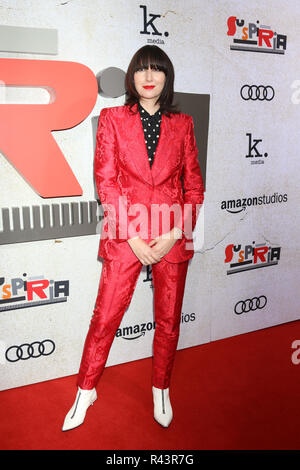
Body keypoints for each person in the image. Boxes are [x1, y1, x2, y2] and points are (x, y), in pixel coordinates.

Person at [62, 45, 205, 432]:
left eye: (156, 69)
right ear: (131, 76)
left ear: (166, 77)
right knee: (106, 315)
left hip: (172, 234)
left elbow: (193, 186)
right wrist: (133, 236)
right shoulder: (112, 119)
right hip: (127, 234)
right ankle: (85, 390)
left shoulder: (183, 124)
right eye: (141, 69)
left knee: (169, 320)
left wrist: (176, 231)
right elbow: (105, 183)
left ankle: (161, 387)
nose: (148, 76)